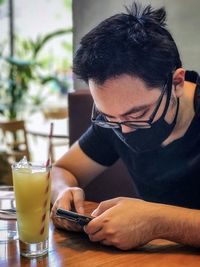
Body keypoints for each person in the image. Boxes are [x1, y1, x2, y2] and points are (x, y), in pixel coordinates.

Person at [51, 2, 200, 250]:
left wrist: (158, 222)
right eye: (110, 116)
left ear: (176, 83)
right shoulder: (116, 119)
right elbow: (62, 169)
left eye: (138, 113)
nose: (125, 130)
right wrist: (63, 192)